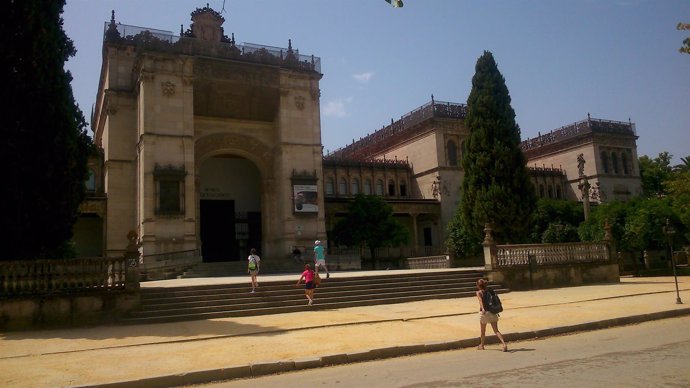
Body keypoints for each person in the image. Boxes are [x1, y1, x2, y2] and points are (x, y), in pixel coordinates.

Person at [476, 278, 508, 352]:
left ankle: (482, 345)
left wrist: (483, 309)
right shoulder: (490, 291)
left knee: (483, 331)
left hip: (484, 313)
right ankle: (504, 344)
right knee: (496, 330)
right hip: (492, 312)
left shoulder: (479, 292)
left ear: (478, 285)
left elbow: (480, 301)